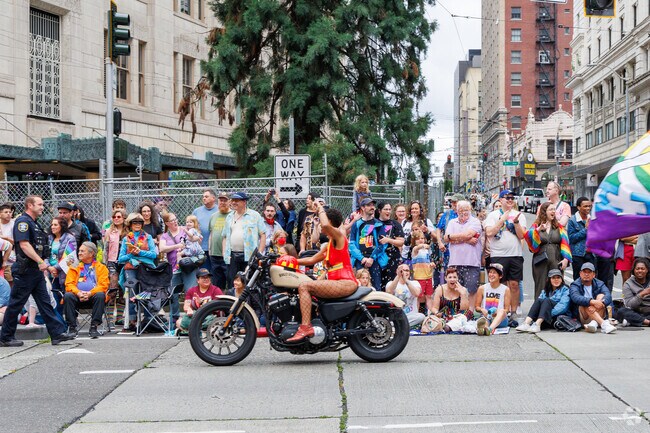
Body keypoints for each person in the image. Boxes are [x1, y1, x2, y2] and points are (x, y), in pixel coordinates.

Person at [0, 195, 76, 347]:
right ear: (30, 205)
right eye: (40, 204)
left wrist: (44, 265)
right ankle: (6, 337)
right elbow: (24, 245)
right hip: (25, 270)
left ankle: (56, 334)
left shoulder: (34, 223)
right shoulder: (23, 222)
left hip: (35, 271)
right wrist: (41, 262)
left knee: (45, 302)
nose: (42, 207)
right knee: (16, 303)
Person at [291, 206, 359, 342]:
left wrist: (320, 208)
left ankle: (305, 327)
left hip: (345, 282)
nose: (319, 223)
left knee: (304, 286)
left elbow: (326, 226)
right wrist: (289, 261)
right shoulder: (329, 244)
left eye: (321, 220)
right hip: (337, 282)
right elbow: (312, 259)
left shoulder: (340, 237)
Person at [483, 189, 526, 316]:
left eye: (512, 198)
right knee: (499, 284)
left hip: (515, 254)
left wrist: (516, 223)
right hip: (498, 254)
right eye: (507, 198)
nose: (510, 200)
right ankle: (501, 311)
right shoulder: (493, 215)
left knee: (514, 284)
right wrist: (502, 220)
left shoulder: (519, 215)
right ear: (500, 200)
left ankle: (513, 312)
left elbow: (521, 236)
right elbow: (489, 233)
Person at [524, 202, 572, 300]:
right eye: (551, 209)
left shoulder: (559, 226)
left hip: (556, 259)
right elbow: (530, 242)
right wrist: (538, 230)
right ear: (544, 212)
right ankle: (539, 310)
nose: (553, 211)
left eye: (554, 209)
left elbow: (565, 242)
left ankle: (556, 310)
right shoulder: (536, 225)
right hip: (540, 260)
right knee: (540, 286)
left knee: (556, 284)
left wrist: (566, 259)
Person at [118, 212, 158, 330]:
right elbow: (120, 259)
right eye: (134, 222)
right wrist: (131, 254)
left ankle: (148, 319)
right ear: (130, 224)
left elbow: (154, 254)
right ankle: (131, 321)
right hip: (131, 268)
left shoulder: (148, 237)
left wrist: (139, 252)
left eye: (140, 222)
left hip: (146, 268)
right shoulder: (126, 239)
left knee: (146, 293)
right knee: (132, 293)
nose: (137, 224)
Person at [63, 242, 109, 338]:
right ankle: (72, 328)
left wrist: (90, 293)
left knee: (100, 295)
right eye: (79, 251)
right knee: (68, 296)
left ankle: (94, 327)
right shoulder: (74, 267)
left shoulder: (101, 267)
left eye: (82, 251)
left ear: (91, 253)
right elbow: (69, 284)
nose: (79, 253)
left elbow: (103, 285)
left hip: (93, 298)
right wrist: (78, 293)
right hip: (77, 297)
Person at [222, 192, 266, 289]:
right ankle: (232, 302)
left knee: (248, 281)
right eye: (233, 200)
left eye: (237, 200)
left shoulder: (255, 215)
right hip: (232, 255)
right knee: (232, 281)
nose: (234, 202)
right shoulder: (229, 217)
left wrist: (259, 253)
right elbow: (224, 236)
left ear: (244, 202)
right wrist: (224, 253)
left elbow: (262, 234)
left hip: (250, 256)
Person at [444, 200, 483, 308]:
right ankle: (457, 312)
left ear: (470, 210)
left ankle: (469, 312)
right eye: (460, 210)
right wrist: (466, 240)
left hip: (471, 262)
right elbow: (446, 238)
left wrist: (453, 237)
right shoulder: (452, 222)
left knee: (471, 290)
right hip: (455, 262)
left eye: (466, 210)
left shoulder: (475, 222)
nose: (463, 212)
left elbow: (467, 234)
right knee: (455, 289)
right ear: (456, 211)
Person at [159, 213, 193, 323]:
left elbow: (194, 241)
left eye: (175, 219)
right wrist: (176, 246)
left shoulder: (184, 230)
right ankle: (174, 318)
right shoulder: (165, 236)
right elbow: (162, 249)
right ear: (167, 223)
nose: (175, 221)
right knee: (173, 292)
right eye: (172, 220)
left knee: (190, 291)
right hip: (174, 268)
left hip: (188, 267)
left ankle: (192, 317)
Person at [349, 198, 387, 291]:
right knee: (359, 286)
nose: (372, 207)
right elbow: (352, 244)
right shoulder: (356, 224)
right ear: (362, 207)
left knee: (376, 287)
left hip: (374, 259)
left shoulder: (379, 224)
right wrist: (362, 258)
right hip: (360, 260)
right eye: (369, 205)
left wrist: (371, 258)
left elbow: (383, 244)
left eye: (373, 205)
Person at [516, 269, 571, 333]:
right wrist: (543, 314)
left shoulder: (565, 290)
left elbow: (563, 307)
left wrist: (546, 314)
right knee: (539, 300)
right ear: (549, 279)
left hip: (558, 316)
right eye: (553, 278)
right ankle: (526, 323)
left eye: (558, 278)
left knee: (547, 300)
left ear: (561, 279)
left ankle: (537, 324)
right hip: (545, 318)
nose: (556, 280)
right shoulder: (545, 290)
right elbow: (538, 304)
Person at [569, 262, 616, 334]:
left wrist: (602, 303)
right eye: (584, 272)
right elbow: (575, 297)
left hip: (597, 311)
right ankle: (604, 324)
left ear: (594, 275)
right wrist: (592, 302)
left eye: (589, 272)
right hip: (582, 315)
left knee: (601, 296)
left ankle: (594, 323)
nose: (586, 274)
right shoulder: (575, 285)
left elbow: (608, 295)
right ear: (580, 273)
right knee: (585, 303)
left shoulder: (600, 283)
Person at [176, 268, 223, 333]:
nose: (206, 279)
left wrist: (202, 304)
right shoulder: (192, 290)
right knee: (179, 322)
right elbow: (186, 305)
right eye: (203, 278)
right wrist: (189, 309)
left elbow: (219, 307)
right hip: (196, 317)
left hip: (211, 318)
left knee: (213, 324)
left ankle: (191, 331)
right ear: (198, 280)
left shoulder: (216, 290)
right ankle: (198, 331)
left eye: (208, 277)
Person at [47, 216, 77, 315]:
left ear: (62, 226)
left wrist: (56, 268)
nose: (52, 227)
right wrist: (49, 268)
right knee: (54, 299)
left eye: (55, 225)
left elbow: (70, 258)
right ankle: (58, 323)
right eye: (52, 224)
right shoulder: (49, 238)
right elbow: (44, 255)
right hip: (50, 273)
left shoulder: (70, 238)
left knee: (65, 298)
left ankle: (70, 321)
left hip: (64, 273)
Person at [474, 263, 511, 336]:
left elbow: (507, 309)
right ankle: (484, 328)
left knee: (502, 311)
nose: (491, 275)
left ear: (500, 276)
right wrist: (482, 310)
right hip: (487, 316)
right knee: (484, 320)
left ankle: (489, 329)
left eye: (494, 273)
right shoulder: (482, 288)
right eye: (490, 272)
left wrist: (497, 312)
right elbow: (477, 307)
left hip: (500, 318)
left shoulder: (505, 289)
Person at [376, 202, 404, 291]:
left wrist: (389, 240)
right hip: (376, 257)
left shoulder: (395, 224)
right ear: (379, 211)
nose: (388, 211)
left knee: (390, 284)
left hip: (392, 258)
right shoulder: (374, 224)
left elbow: (401, 242)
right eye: (385, 209)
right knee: (377, 283)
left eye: (389, 209)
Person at [567, 197, 595, 281]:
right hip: (578, 255)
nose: (588, 208)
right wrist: (586, 230)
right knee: (578, 280)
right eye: (585, 206)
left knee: (592, 279)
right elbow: (572, 238)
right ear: (578, 207)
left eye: (589, 206)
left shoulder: (592, 219)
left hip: (592, 254)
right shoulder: (572, 220)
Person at [616, 258, 650, 327]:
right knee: (621, 311)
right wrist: (642, 294)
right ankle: (646, 322)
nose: (640, 271)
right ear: (634, 270)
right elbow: (629, 305)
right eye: (637, 269)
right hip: (637, 311)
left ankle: (633, 321)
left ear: (647, 270)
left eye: (642, 269)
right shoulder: (628, 284)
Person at [208, 192, 231, 290]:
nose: (223, 202)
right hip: (214, 255)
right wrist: (210, 250)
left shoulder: (233, 215)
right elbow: (211, 233)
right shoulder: (213, 216)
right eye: (221, 200)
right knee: (217, 285)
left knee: (230, 282)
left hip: (227, 255)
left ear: (230, 202)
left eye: (225, 200)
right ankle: (218, 304)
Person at [193, 189, 219, 271]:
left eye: (206, 196)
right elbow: (191, 226)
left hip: (216, 249)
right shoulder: (197, 211)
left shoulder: (219, 210)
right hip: (201, 248)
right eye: (203, 196)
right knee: (204, 272)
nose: (204, 198)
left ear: (213, 198)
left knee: (215, 273)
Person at [403, 200, 435, 265]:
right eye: (412, 208)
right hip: (408, 254)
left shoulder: (426, 221)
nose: (414, 210)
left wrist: (427, 230)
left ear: (420, 210)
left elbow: (435, 238)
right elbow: (404, 241)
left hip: (425, 254)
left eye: (416, 208)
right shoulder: (405, 222)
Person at [435, 194, 461, 271]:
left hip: (462, 249)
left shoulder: (467, 214)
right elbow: (438, 229)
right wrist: (440, 243)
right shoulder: (447, 214)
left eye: (456, 202)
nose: (454, 204)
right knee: (450, 272)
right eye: (452, 202)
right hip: (449, 249)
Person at [410, 230, 434, 311]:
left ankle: (430, 313)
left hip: (428, 276)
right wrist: (423, 245)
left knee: (429, 296)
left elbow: (427, 263)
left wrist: (431, 265)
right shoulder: (415, 250)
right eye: (418, 238)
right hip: (419, 277)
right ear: (414, 241)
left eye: (423, 238)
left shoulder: (426, 251)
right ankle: (417, 313)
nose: (421, 240)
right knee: (419, 297)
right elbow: (418, 247)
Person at [0, 203, 15, 286]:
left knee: (9, 281)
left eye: (10, 212)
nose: (9, 214)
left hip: (10, 257)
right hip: (0, 256)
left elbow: (15, 242)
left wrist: (5, 238)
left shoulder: (14, 225)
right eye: (6, 212)